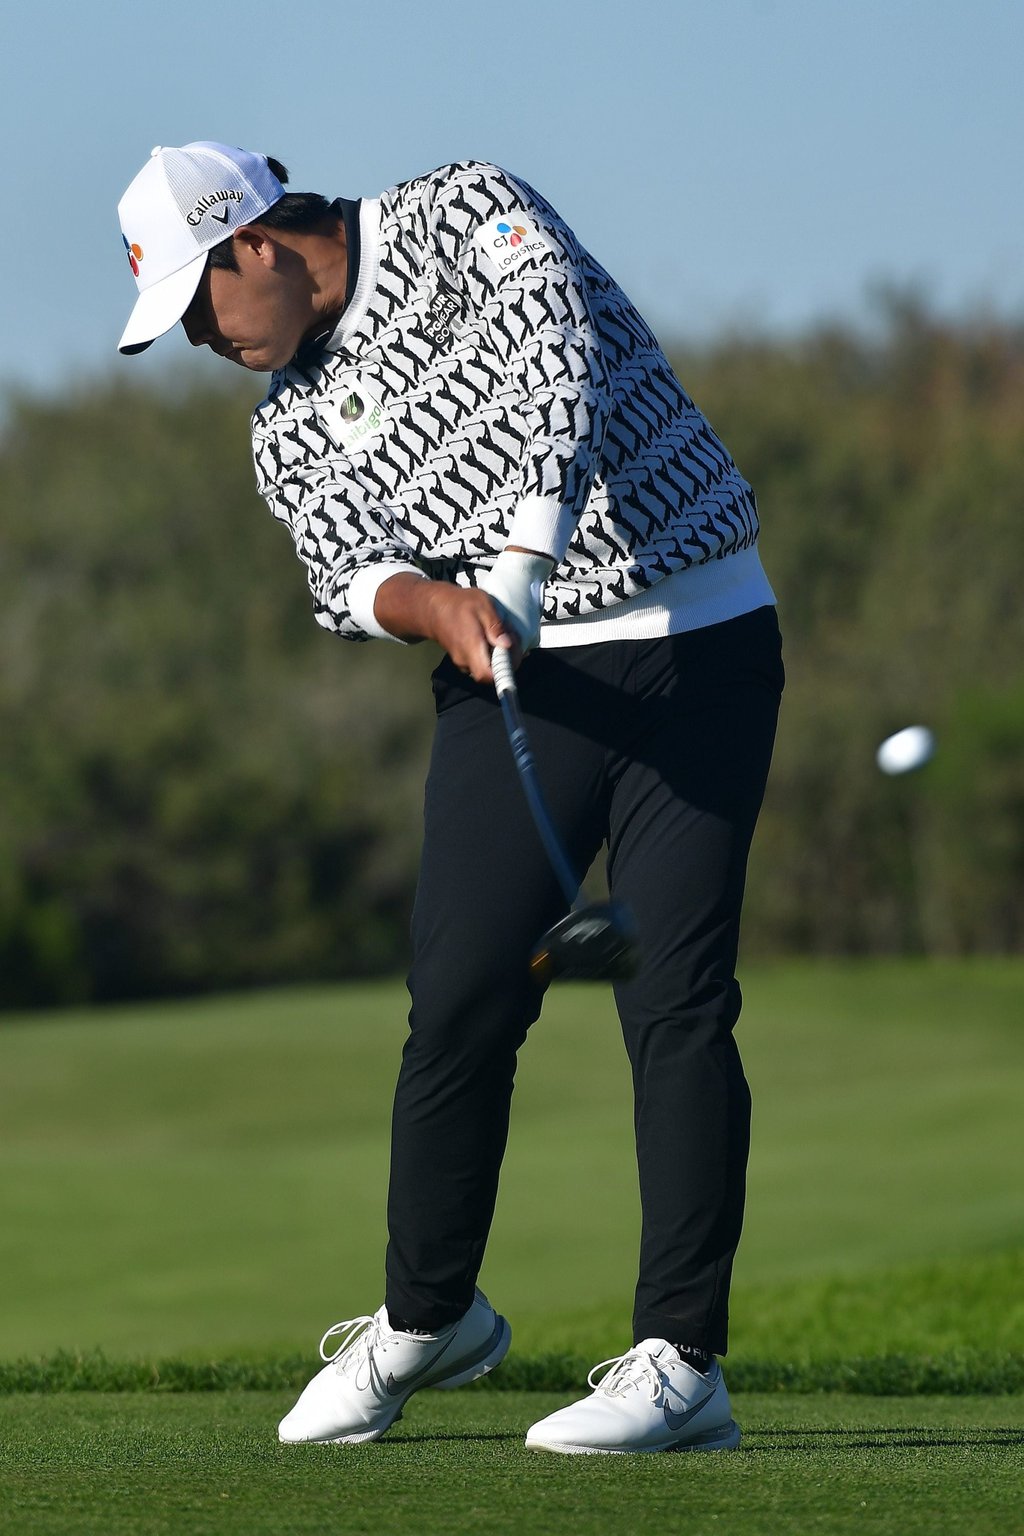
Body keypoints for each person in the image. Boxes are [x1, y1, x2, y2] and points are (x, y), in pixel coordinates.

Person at [115, 141, 784, 1455]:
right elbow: (341, 575)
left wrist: (522, 565)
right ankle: (429, 1319)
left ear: (253, 243)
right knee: (464, 992)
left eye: (198, 306)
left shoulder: (466, 210)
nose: (200, 340)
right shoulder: (285, 421)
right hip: (511, 681)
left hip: (696, 643)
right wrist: (430, 602)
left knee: (675, 995)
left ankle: (681, 1365)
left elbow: (560, 377)